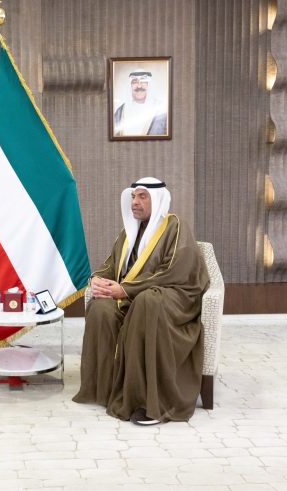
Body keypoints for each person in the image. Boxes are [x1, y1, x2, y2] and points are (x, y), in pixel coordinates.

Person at [73, 177, 209, 426]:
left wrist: (125, 290)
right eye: (133, 197)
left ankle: (150, 402)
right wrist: (97, 280)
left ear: (158, 199)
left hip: (173, 298)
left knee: (147, 302)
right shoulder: (128, 233)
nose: (135, 202)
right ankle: (109, 389)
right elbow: (110, 266)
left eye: (142, 196)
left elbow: (174, 272)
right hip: (132, 297)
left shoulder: (175, 227)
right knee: (100, 308)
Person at [113, 69, 167, 136]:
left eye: (143, 81)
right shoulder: (120, 111)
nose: (139, 86)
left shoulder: (161, 110)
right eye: (135, 82)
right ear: (130, 86)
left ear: (149, 85)